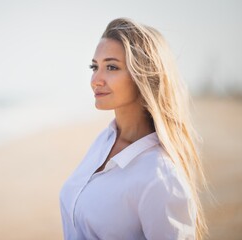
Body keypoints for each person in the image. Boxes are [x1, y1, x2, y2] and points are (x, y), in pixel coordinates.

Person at [59, 18, 207, 240]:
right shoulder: (105, 139)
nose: (95, 80)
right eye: (94, 67)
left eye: (111, 67)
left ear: (144, 75)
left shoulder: (161, 178)